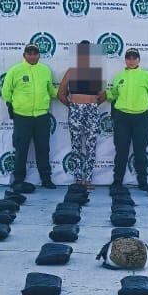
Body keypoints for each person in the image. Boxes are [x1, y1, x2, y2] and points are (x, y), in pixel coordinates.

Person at [0, 44, 58, 188]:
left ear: (39, 55)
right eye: (29, 53)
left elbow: (50, 91)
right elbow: (6, 91)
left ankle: (46, 179)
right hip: (22, 117)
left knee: (43, 148)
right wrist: (11, 105)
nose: (32, 56)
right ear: (24, 54)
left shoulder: (45, 70)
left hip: (41, 116)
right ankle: (19, 179)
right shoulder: (15, 70)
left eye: (35, 53)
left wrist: (66, 94)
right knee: (21, 149)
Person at [103, 48, 148, 189]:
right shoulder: (119, 76)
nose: (132, 60)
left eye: (134, 58)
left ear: (139, 60)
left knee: (140, 151)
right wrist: (103, 94)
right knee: (121, 151)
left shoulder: (147, 76)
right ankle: (117, 180)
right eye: (129, 58)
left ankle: (142, 181)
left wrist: (141, 107)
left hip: (142, 118)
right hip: (122, 118)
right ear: (125, 60)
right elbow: (114, 95)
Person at [58, 41, 107, 189]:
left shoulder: (95, 73)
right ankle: (78, 179)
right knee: (76, 145)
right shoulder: (71, 71)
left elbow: (102, 95)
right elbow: (60, 94)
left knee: (91, 145)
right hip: (76, 111)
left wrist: (92, 105)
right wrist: (73, 106)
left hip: (91, 110)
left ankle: (88, 180)